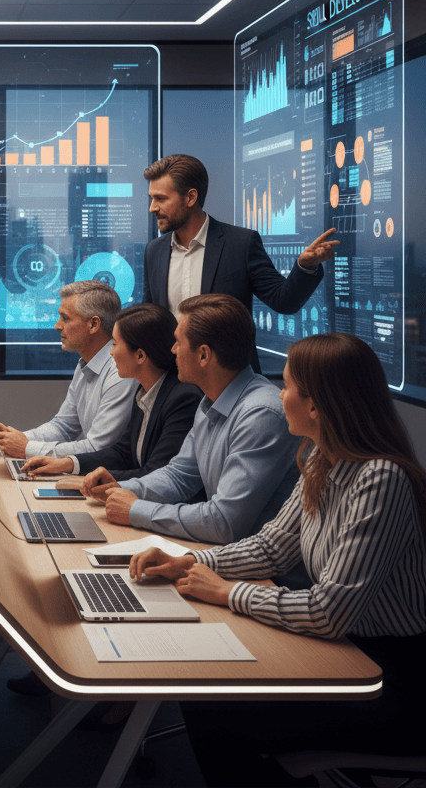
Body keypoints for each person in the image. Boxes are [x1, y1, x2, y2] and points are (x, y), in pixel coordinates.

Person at [130, 333, 426, 787]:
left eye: (286, 386)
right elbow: (271, 547)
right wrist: (187, 561)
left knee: (217, 711)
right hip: (343, 651)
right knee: (207, 693)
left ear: (316, 406)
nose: (278, 395)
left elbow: (328, 612)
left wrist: (227, 592)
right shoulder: (319, 460)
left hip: (389, 679)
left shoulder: (379, 478)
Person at [70, 294, 298, 545]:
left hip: (262, 572)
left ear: (203, 355)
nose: (172, 350)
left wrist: (136, 510)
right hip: (230, 554)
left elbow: (224, 522)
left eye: (178, 342)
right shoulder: (210, 401)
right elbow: (179, 475)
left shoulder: (260, 415)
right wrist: (125, 489)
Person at [141, 154, 339, 369]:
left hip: (230, 382)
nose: (152, 207)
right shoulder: (154, 251)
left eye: (160, 198)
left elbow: (283, 301)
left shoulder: (240, 244)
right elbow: (151, 319)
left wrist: (305, 266)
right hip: (173, 379)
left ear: (190, 197)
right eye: (152, 198)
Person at [21, 302, 202, 481]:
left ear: (140, 355)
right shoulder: (144, 389)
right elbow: (123, 453)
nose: (110, 353)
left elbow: (155, 474)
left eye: (114, 344)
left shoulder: (183, 399)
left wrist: (88, 480)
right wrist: (68, 464)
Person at [0, 281, 135, 459]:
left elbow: (97, 448)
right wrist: (16, 438)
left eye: (65, 318)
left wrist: (27, 448)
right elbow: (63, 427)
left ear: (94, 324)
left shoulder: (120, 372)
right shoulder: (85, 364)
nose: (57, 326)